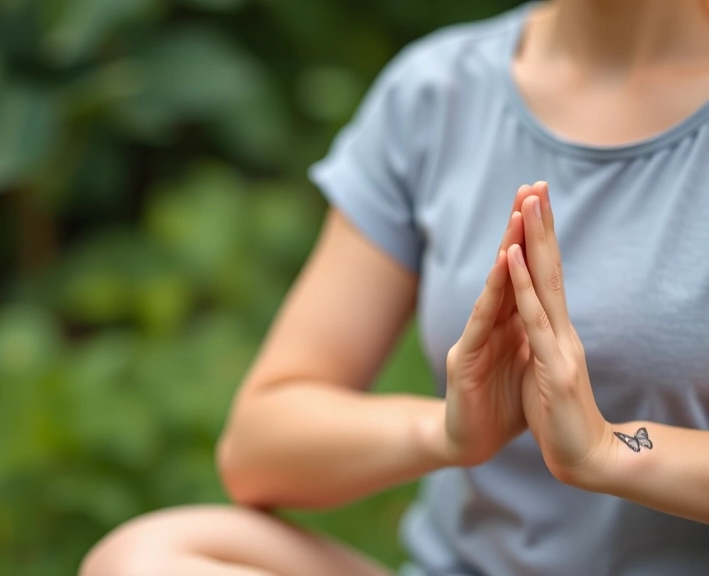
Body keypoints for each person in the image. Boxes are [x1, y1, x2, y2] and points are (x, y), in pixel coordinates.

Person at [80, 0, 709, 574]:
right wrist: (448, 432)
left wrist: (609, 451)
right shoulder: (438, 93)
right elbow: (258, 446)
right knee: (143, 559)